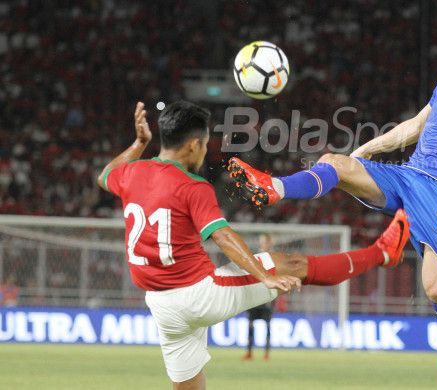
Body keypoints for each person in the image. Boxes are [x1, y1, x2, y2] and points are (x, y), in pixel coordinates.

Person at [227, 7, 437, 388]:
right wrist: (369, 148)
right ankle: (276, 187)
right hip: (408, 175)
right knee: (334, 163)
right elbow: (415, 126)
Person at [97, 101, 410, 390]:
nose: (205, 152)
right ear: (194, 144)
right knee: (291, 264)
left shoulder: (131, 172)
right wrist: (265, 275)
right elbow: (222, 235)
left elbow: (105, 176)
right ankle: (383, 252)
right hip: (199, 294)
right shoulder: (192, 186)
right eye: (205, 145)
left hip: (162, 306)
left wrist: (138, 143)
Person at [243, 233, 276, 361]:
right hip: (255, 295)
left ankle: (266, 353)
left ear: (269, 243)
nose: (263, 243)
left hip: (268, 296)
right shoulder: (255, 256)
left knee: (267, 325)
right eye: (261, 241)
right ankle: (249, 352)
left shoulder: (274, 258)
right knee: (250, 325)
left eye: (265, 241)